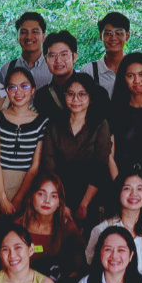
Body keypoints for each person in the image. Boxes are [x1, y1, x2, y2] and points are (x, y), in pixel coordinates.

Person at [44, 76, 116, 225]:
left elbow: (100, 167)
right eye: (70, 94)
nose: (75, 99)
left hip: (92, 195)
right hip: (58, 194)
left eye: (82, 94)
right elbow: (49, 166)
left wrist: (84, 204)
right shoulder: (54, 124)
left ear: (90, 97)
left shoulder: (100, 124)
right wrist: (62, 204)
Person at [0, 66, 46, 219]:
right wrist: (2, 198)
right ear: (6, 91)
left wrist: (18, 199)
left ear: (32, 90)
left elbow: (34, 166)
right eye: (12, 87)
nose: (18, 92)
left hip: (27, 186)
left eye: (24, 86)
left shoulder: (42, 122)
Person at [86, 170, 142, 280]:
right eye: (127, 188)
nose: (134, 194)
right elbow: (93, 266)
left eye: (140, 189)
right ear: (118, 193)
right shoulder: (102, 229)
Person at [11, 173, 86, 283]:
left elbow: (78, 269)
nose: (47, 201)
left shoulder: (68, 227)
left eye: (54, 196)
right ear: (31, 197)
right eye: (41, 194)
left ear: (59, 202)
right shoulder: (18, 226)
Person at [107, 52, 142, 184]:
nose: (137, 80)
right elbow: (109, 155)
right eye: (130, 76)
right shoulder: (114, 110)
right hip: (118, 180)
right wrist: (120, 185)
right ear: (123, 79)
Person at [32, 31, 101, 121]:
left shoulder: (92, 90)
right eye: (52, 55)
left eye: (64, 54)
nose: (58, 60)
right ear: (46, 59)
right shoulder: (42, 96)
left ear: (74, 57)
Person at [78, 11, 130, 95]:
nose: (113, 38)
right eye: (108, 33)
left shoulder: (136, 69)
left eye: (119, 33)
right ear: (100, 36)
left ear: (127, 36)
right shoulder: (89, 71)